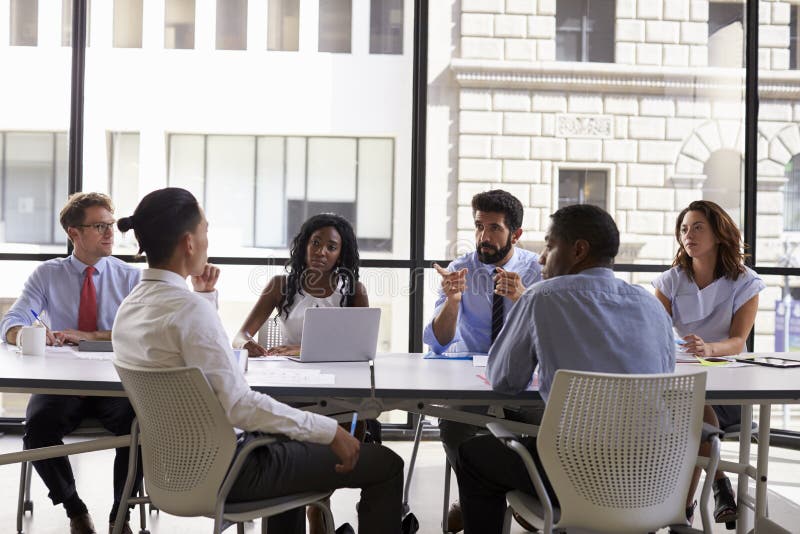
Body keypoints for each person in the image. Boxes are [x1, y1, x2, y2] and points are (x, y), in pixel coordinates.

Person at [112, 188, 405, 534]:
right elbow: (239, 405)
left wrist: (204, 298)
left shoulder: (129, 308)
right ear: (189, 243)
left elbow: (194, 358)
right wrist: (331, 432)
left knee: (287, 441)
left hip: (170, 472)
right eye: (206, 231)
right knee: (386, 463)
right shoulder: (189, 310)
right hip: (234, 470)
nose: (209, 240)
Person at [455, 204, 674, 534]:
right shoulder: (650, 305)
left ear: (579, 250)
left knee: (473, 455)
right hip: (650, 478)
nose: (541, 258)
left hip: (573, 476)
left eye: (549, 245)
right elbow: (665, 379)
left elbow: (503, 380)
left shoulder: (542, 297)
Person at [0, 192, 142, 534]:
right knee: (37, 427)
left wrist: (89, 336)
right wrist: (25, 333)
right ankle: (75, 510)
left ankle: (119, 515)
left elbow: (141, 332)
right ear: (73, 233)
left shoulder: (131, 277)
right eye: (99, 226)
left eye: (111, 225)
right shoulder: (48, 274)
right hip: (61, 385)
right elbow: (12, 321)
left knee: (142, 423)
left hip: (115, 384)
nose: (110, 233)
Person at [421, 189, 542, 532]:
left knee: (553, 422)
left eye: (494, 229)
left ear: (515, 234)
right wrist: (453, 301)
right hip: (473, 380)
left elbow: (552, 335)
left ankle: (522, 488)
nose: (483, 238)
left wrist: (523, 297)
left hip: (525, 381)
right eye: (478, 227)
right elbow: (438, 342)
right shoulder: (460, 269)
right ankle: (481, 497)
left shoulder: (536, 271)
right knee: (454, 425)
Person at [654, 200, 765, 527]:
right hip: (681, 386)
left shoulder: (745, 282)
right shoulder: (671, 280)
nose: (688, 235)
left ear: (719, 234)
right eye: (684, 229)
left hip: (727, 387)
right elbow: (655, 331)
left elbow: (738, 340)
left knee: (694, 407)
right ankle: (717, 485)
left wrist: (708, 348)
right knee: (691, 403)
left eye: (698, 227)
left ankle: (682, 511)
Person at [235, 213, 368, 357]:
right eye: (315, 243)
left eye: (331, 247)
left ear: (340, 256)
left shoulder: (355, 291)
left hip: (337, 370)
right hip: (290, 371)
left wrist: (302, 349)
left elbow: (361, 348)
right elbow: (240, 337)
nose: (320, 252)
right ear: (305, 246)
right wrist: (245, 343)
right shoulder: (280, 285)